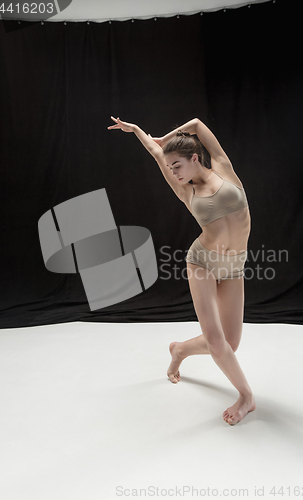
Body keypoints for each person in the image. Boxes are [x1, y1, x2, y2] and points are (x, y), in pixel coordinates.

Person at [108, 116, 256, 425]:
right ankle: (246, 396)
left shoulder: (224, 168)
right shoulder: (185, 192)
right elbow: (155, 153)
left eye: (177, 166)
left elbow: (199, 126)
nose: (174, 173)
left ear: (195, 158)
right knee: (218, 344)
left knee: (231, 343)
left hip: (234, 265)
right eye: (170, 169)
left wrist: (166, 136)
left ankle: (179, 350)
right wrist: (137, 131)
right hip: (201, 261)